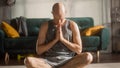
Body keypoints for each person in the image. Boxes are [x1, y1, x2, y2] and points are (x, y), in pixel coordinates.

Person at [24, 2, 93, 68]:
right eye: (57, 18)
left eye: (61, 18)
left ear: (65, 13)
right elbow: (39, 51)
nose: (59, 21)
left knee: (88, 57)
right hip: (49, 61)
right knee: (28, 61)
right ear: (52, 13)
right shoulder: (45, 26)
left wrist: (62, 39)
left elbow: (79, 50)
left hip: (68, 61)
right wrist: (55, 40)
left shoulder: (72, 25)